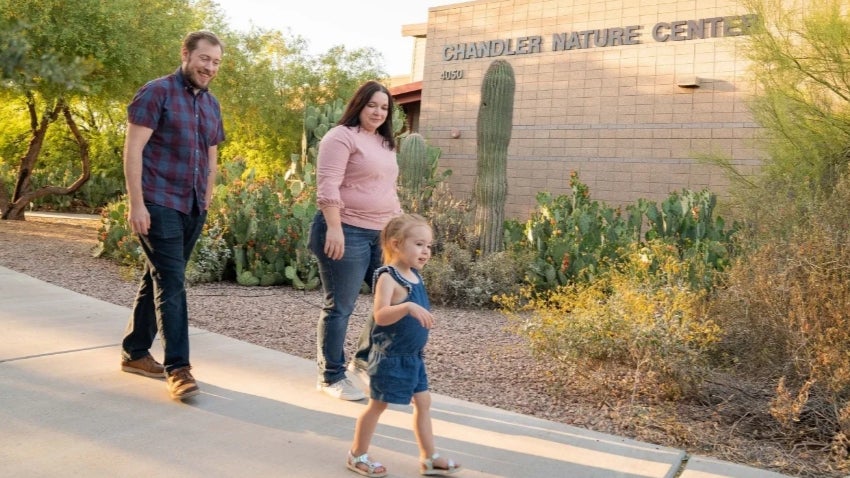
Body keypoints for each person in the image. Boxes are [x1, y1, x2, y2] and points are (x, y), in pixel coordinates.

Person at [119, 30, 225, 401]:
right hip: (159, 201)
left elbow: (211, 152)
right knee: (172, 282)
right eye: (204, 59)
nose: (209, 67)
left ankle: (134, 351)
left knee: (159, 276)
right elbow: (133, 150)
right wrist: (137, 204)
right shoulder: (156, 92)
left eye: (215, 62)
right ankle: (178, 367)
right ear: (186, 54)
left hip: (193, 204)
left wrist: (208, 196)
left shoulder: (212, 104)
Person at [346, 214, 461, 477]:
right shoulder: (389, 277)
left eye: (429, 246)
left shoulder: (415, 276)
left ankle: (429, 457)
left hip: (413, 357)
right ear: (397, 244)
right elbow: (380, 315)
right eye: (419, 244)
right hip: (390, 356)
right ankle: (356, 454)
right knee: (378, 405)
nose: (426, 251)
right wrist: (407, 306)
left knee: (423, 402)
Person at [308, 80, 401, 401]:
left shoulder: (385, 144)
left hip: (382, 234)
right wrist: (334, 228)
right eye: (372, 105)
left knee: (391, 299)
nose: (378, 112)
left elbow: (388, 190)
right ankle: (330, 376)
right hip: (344, 230)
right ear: (359, 105)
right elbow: (328, 186)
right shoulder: (340, 137)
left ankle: (362, 361)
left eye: (384, 107)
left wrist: (398, 229)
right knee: (340, 307)